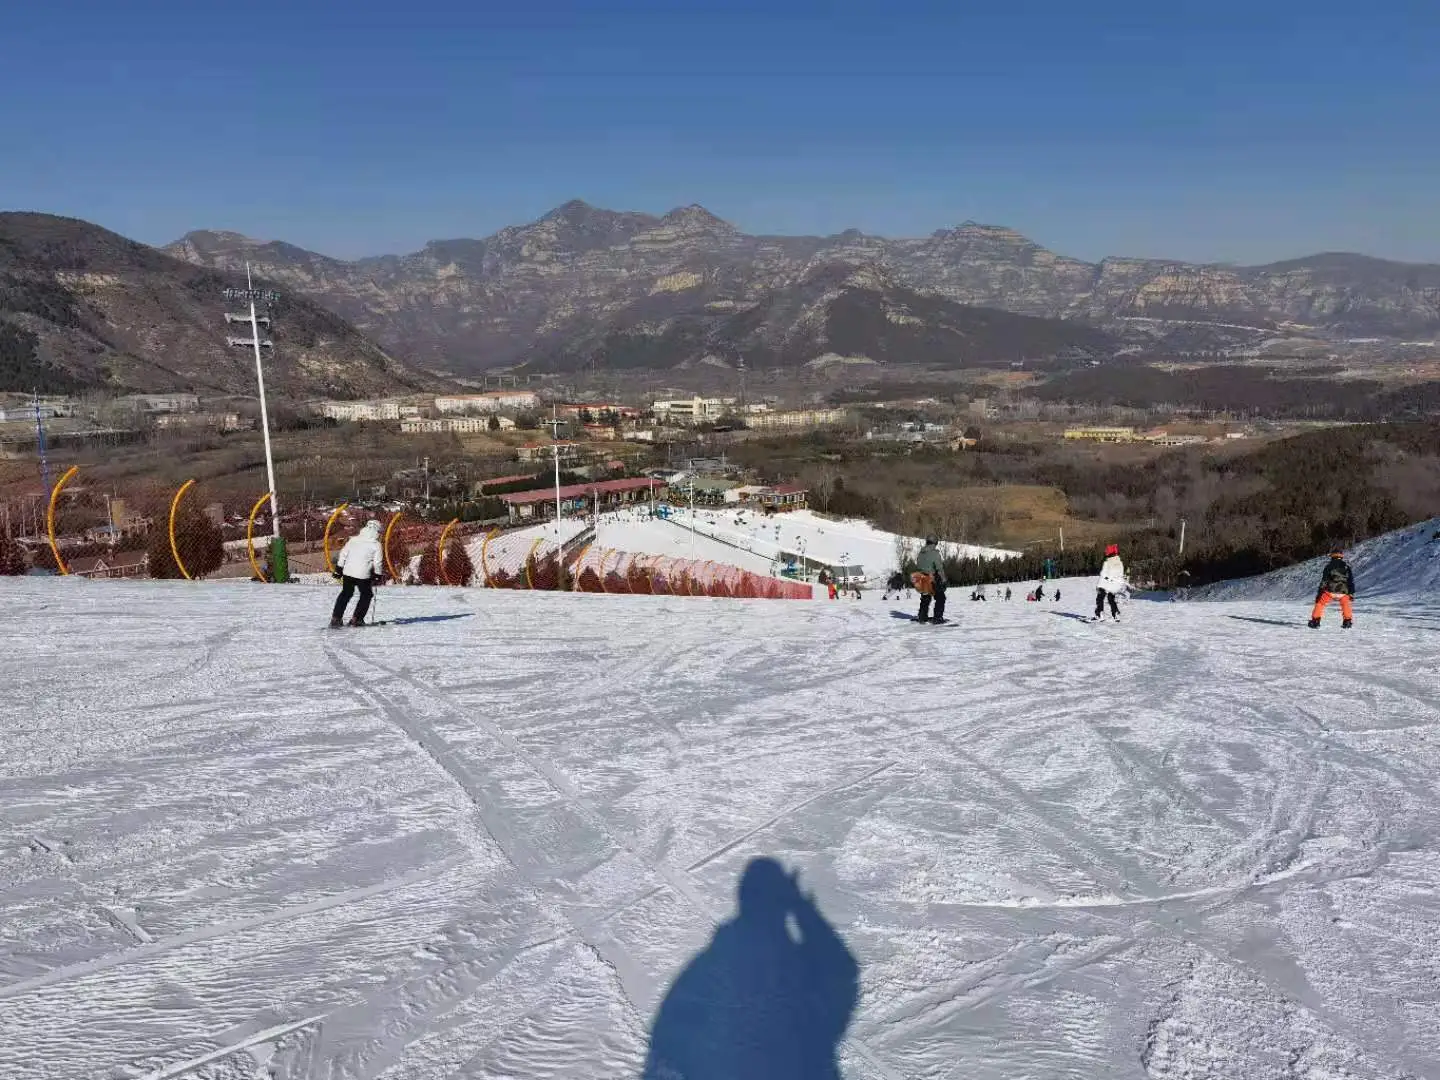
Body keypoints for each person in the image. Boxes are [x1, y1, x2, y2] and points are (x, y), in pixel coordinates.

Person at [331, 520, 386, 627]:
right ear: (377, 531)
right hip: (363, 575)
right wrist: (377, 576)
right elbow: (378, 562)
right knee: (366, 595)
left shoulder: (353, 540)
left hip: (348, 572)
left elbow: (343, 555)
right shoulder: (376, 544)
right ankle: (357, 619)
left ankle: (336, 618)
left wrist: (338, 569)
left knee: (346, 593)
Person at [1309, 549, 1356, 629]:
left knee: (1320, 603)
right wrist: (1351, 593)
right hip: (1344, 592)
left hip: (1330, 591)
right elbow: (1350, 581)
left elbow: (1324, 581)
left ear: (1332, 556)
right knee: (1346, 604)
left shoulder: (1329, 566)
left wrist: (1319, 593)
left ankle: (1315, 621)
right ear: (1341, 556)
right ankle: (1347, 621)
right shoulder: (1347, 567)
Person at [914, 536, 948, 623]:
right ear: (935, 543)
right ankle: (938, 617)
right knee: (940, 598)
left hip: (921, 578)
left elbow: (918, 566)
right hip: (932, 578)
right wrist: (943, 580)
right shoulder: (935, 553)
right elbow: (939, 568)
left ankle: (922, 616)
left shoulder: (921, 553)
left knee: (925, 598)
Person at [1095, 543, 1126, 622]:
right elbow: (1121, 574)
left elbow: (1103, 574)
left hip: (1106, 584)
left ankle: (1100, 614)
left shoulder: (1107, 562)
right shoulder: (1120, 563)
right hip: (1116, 585)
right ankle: (1115, 613)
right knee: (1111, 599)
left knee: (1100, 598)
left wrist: (1099, 586)